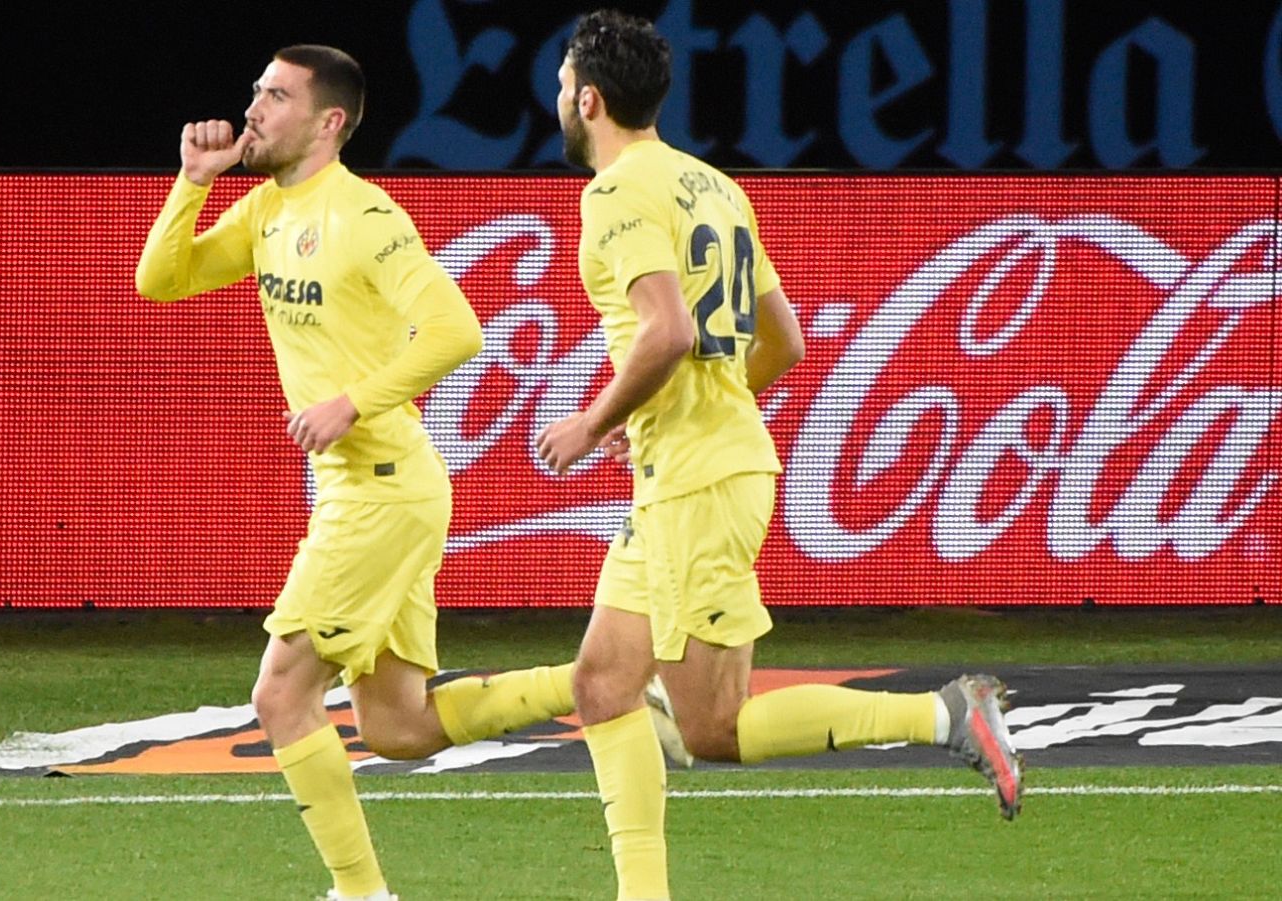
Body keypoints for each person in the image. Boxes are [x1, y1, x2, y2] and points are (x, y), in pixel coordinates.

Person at [533, 11, 1024, 899]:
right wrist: (697, 413)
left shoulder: (611, 194)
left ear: (591, 99)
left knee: (713, 727)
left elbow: (668, 331)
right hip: (698, 469)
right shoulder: (714, 185)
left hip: (697, 481)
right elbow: (785, 341)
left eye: (565, 86)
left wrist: (593, 420)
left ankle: (944, 712)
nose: (559, 99)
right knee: (604, 682)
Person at [135, 45, 576, 901]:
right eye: (255, 88)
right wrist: (194, 180)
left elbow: (458, 331)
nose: (253, 107)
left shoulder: (367, 216)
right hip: (380, 486)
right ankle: (601, 682)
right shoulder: (266, 209)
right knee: (401, 725)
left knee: (281, 694)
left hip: (378, 480)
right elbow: (161, 280)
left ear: (328, 121)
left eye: (276, 95)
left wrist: (352, 402)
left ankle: (360, 894)